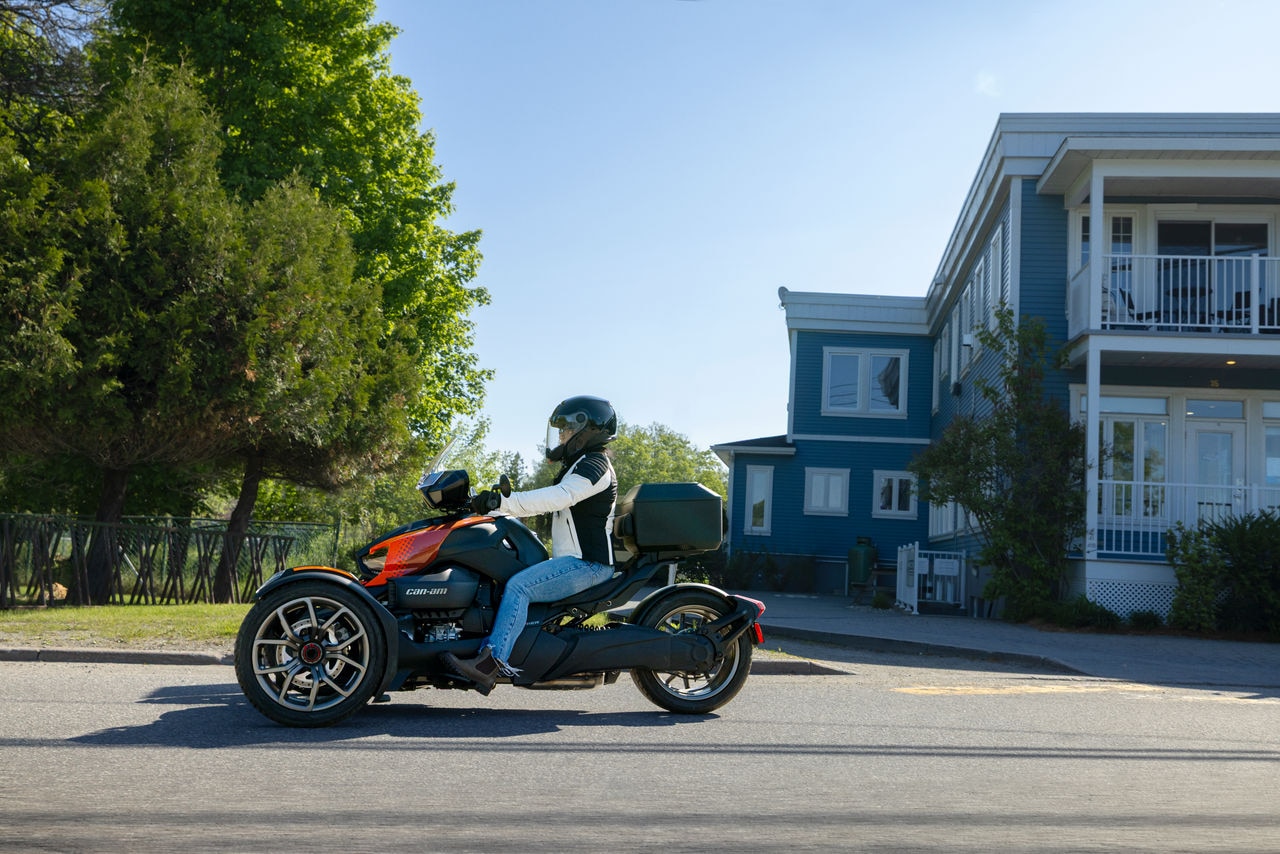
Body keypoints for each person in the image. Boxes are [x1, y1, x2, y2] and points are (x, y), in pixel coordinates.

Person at [441, 395, 619, 694]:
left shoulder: (595, 465)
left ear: (587, 428)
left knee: (519, 586)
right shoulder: (579, 465)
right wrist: (487, 507)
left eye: (565, 429)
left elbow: (559, 497)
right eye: (559, 429)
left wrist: (505, 501)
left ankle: (489, 663)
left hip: (589, 564)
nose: (560, 435)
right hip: (575, 561)